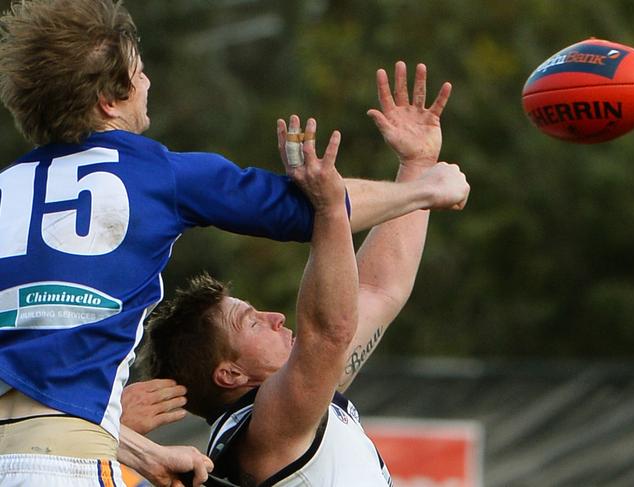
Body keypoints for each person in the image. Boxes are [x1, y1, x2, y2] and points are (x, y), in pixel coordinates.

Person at [0, 0, 464, 485]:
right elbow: (316, 214)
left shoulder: (6, 187)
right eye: (139, 74)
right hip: (72, 466)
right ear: (108, 102)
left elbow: (374, 293)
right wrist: (425, 188)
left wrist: (133, 446)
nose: (148, 84)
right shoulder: (157, 172)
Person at [131, 63, 469, 486]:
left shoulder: (302, 401)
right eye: (251, 322)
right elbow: (327, 333)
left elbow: (378, 288)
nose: (275, 318)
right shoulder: (271, 423)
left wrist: (417, 163)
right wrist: (328, 211)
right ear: (231, 374)